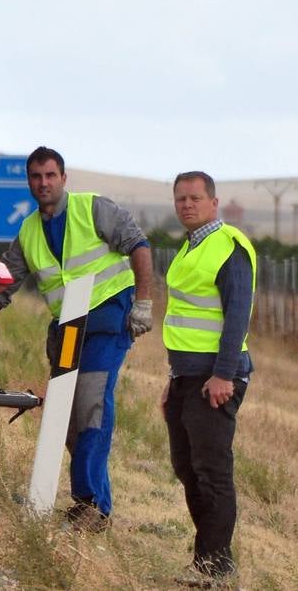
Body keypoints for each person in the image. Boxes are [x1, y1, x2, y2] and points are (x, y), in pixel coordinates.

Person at [0, 146, 155, 530]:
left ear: (63, 178)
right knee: (68, 417)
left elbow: (139, 245)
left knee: (91, 405)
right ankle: (97, 507)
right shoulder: (28, 231)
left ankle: (88, 503)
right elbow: (6, 283)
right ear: (29, 181)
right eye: (36, 177)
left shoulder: (92, 209)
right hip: (68, 329)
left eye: (50, 175)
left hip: (108, 320)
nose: (43, 183)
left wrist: (143, 303)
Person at [162, 171, 255, 588]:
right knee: (187, 467)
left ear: (213, 203)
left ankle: (214, 567)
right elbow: (185, 321)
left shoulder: (227, 247)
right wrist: (172, 377)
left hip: (215, 376)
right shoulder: (190, 246)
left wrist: (223, 374)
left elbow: (237, 316)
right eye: (181, 198)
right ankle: (210, 559)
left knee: (212, 470)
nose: (187, 205)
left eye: (196, 198)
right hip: (186, 375)